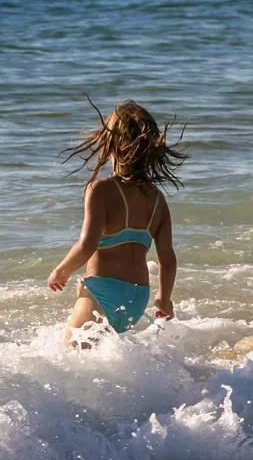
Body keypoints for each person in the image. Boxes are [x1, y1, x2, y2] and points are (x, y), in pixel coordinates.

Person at [48, 99, 186, 346]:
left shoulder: (101, 190)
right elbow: (168, 259)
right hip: (137, 298)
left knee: (69, 357)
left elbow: (87, 245)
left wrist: (62, 270)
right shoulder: (157, 200)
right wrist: (164, 299)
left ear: (110, 144)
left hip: (104, 293)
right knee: (104, 362)